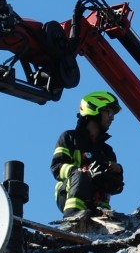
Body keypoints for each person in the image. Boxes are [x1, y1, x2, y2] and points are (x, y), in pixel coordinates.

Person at [51, 91, 124, 219]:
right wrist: (78, 171)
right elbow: (57, 168)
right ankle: (72, 218)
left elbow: (116, 187)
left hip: (97, 205)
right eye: (108, 112)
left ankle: (102, 218)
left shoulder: (107, 150)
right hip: (67, 195)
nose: (112, 118)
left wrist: (117, 170)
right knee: (81, 175)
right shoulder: (69, 137)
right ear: (93, 109)